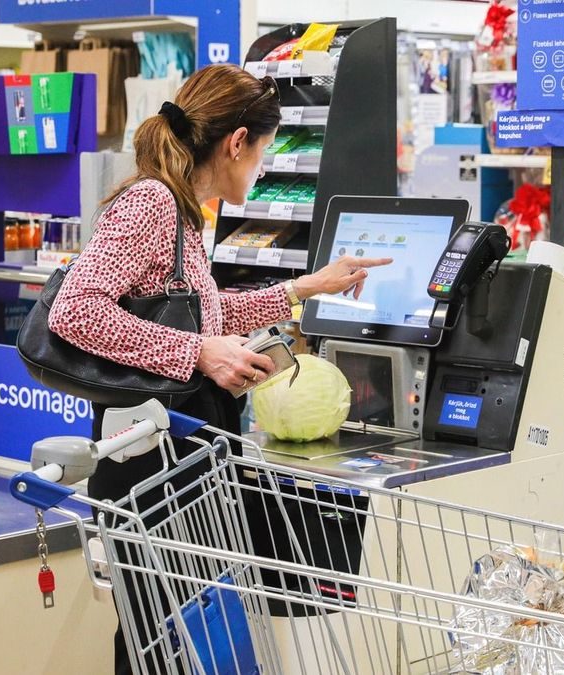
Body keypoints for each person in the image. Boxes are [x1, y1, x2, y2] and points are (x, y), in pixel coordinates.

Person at [48, 64, 390, 674]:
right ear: (236, 143)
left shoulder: (180, 212)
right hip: (148, 467)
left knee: (176, 645)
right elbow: (75, 311)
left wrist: (305, 288)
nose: (261, 167)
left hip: (175, 462)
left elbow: (201, 312)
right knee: (163, 646)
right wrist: (199, 353)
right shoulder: (152, 203)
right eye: (263, 151)